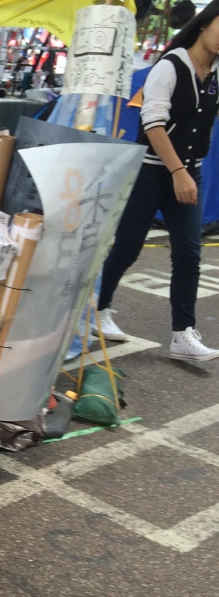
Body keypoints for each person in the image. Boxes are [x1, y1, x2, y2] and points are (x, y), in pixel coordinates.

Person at [96, 1, 219, 362]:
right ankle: (98, 311)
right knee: (126, 249)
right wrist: (178, 172)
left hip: (188, 172)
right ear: (204, 24)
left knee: (188, 255)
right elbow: (153, 124)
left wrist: (186, 171)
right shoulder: (169, 66)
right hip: (151, 172)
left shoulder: (215, 73)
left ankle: (182, 334)